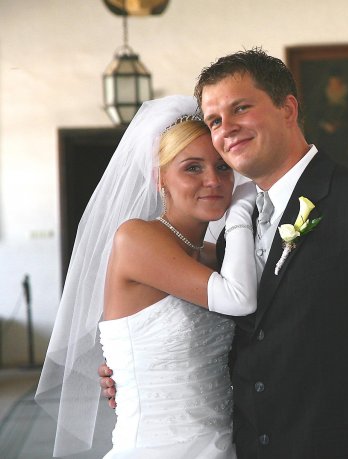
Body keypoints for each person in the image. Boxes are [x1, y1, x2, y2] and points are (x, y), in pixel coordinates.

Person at [102, 48, 348, 458]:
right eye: (215, 120)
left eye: (240, 108)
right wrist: (136, 371)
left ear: (288, 108)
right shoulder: (233, 234)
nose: (227, 128)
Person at [36, 95, 258, 458]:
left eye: (222, 167)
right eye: (192, 168)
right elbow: (238, 298)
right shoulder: (136, 239)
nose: (213, 180)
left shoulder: (214, 256)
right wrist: (241, 208)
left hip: (222, 443)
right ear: (159, 178)